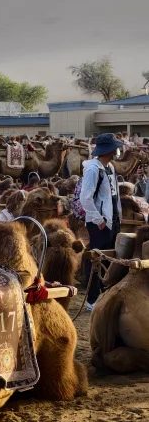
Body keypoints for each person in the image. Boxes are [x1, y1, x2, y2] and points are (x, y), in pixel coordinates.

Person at [79, 132, 123, 311]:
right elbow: (85, 197)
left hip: (112, 219)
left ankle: (104, 293)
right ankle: (92, 299)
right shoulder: (93, 169)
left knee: (108, 258)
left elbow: (112, 195)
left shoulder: (110, 167)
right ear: (110, 150)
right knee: (96, 260)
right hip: (100, 222)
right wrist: (99, 220)